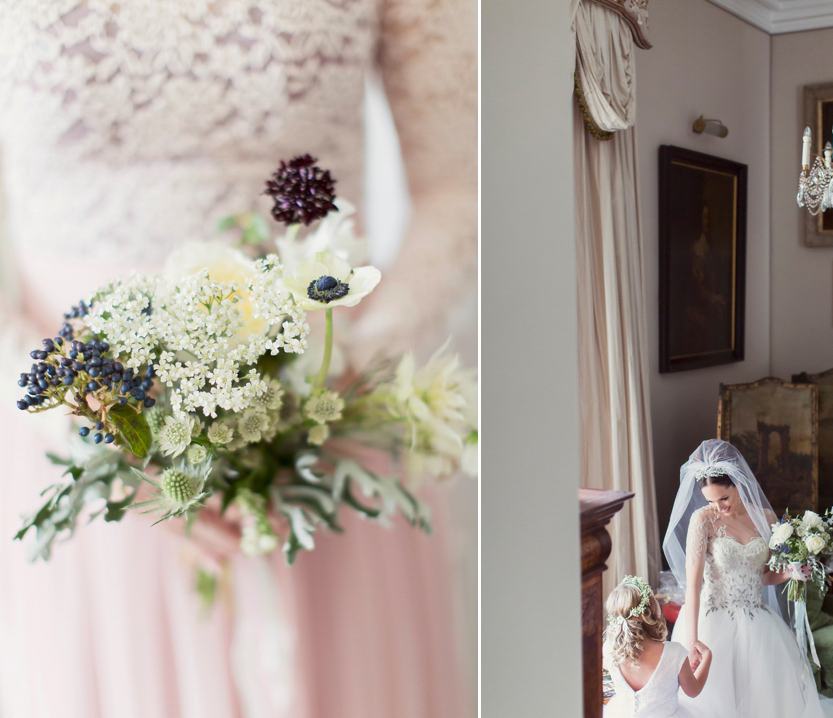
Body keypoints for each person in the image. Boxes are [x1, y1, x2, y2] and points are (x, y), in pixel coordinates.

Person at [0, 3, 476, 717]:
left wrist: (335, 374)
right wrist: (86, 427)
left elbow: (461, 184)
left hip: (327, 434)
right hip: (79, 458)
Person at [663, 439, 833, 718]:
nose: (719, 507)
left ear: (738, 484)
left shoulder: (765, 519)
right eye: (711, 501)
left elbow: (763, 576)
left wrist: (791, 572)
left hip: (757, 621)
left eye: (724, 498)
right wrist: (692, 642)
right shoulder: (702, 520)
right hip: (713, 620)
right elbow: (692, 588)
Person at [602, 575, 712, 718]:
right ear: (652, 611)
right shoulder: (674, 653)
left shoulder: (609, 648)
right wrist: (708, 656)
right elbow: (693, 691)